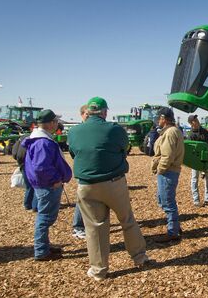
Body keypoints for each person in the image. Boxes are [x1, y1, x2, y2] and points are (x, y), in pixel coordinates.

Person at [68, 97, 149, 281]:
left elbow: (74, 153)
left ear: (87, 112)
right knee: (127, 220)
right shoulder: (114, 129)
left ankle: (99, 270)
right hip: (114, 182)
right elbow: (123, 148)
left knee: (95, 228)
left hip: (87, 185)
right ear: (104, 112)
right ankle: (140, 257)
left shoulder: (74, 131)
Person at [21, 109, 72, 261]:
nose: (57, 124)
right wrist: (55, 179)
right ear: (50, 123)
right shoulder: (43, 142)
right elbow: (41, 167)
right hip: (48, 185)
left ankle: (43, 246)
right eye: (55, 121)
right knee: (44, 218)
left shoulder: (39, 139)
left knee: (45, 217)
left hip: (45, 185)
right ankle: (41, 251)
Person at [151, 107, 185, 243]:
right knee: (163, 199)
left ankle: (173, 232)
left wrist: (160, 169)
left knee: (167, 202)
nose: (157, 120)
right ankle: (175, 226)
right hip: (169, 171)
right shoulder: (171, 131)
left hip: (168, 171)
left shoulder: (170, 133)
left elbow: (167, 156)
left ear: (164, 119)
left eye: (159, 118)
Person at [187, 115, 208, 207]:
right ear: (191, 123)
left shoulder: (204, 132)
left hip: (206, 159)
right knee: (194, 179)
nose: (197, 120)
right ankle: (196, 200)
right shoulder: (190, 135)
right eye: (194, 120)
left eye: (196, 119)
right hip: (195, 161)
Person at [72, 104, 88, 240]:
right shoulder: (77, 131)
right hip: (84, 171)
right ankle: (78, 227)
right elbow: (73, 152)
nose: (89, 117)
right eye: (87, 114)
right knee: (81, 200)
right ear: (82, 114)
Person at [12, 133, 37, 211]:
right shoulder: (32, 140)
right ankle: (34, 206)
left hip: (22, 164)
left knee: (28, 186)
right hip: (30, 165)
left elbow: (15, 153)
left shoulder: (21, 140)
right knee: (35, 185)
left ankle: (27, 204)